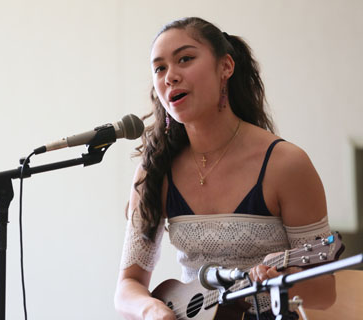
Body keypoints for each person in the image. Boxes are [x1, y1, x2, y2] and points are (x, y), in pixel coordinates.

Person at [114, 17, 336, 320]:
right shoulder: (154, 170)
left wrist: (277, 284)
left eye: (185, 59)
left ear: (226, 67)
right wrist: (151, 310)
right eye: (159, 68)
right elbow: (128, 286)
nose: (170, 77)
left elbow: (325, 291)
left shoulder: (285, 164)